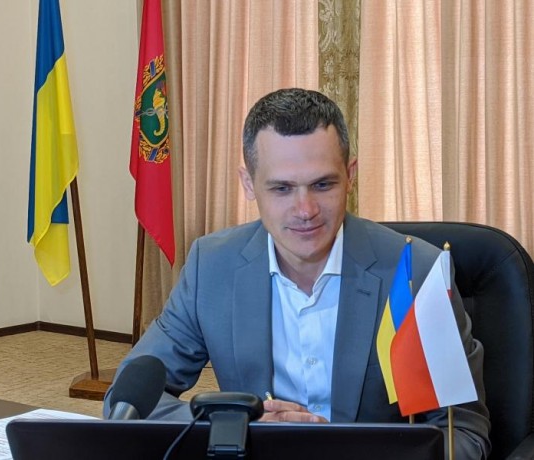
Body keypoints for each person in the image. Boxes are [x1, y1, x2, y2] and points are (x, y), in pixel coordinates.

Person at [105, 88, 490, 458]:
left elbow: (465, 434)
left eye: (322, 184)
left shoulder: (415, 272)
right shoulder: (212, 266)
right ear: (248, 184)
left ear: (350, 175)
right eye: (282, 188)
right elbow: (126, 404)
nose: (305, 210)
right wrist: (234, 426)